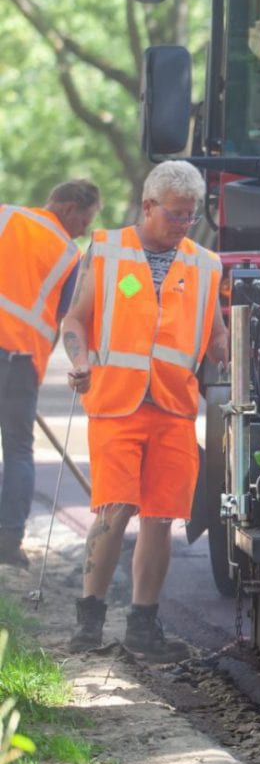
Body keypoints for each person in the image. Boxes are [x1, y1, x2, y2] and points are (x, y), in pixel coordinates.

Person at [60, 161, 227, 660]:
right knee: (116, 508)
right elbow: (76, 318)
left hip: (174, 407)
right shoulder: (107, 250)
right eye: (175, 216)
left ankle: (142, 626)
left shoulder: (205, 264)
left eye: (191, 217)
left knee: (160, 518)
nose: (184, 225)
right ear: (148, 206)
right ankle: (89, 622)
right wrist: (79, 359)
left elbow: (215, 334)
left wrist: (229, 348)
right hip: (116, 405)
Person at [0, 179, 101, 567]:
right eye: (85, 220)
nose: (84, 230)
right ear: (70, 208)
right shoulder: (70, 257)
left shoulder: (6, 215)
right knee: (18, 450)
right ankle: (8, 541)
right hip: (20, 362)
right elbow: (67, 318)